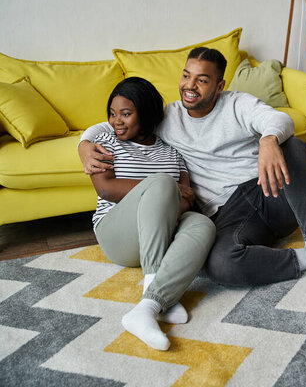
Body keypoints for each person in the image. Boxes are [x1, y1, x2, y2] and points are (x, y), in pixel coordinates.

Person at [79, 48, 306, 309]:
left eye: (201, 80)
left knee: (292, 145)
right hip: (227, 213)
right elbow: (115, 121)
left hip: (267, 192)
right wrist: (84, 145)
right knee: (219, 265)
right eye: (186, 76)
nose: (189, 86)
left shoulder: (237, 104)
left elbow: (281, 120)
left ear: (219, 86)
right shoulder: (168, 117)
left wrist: (268, 141)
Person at [85, 76, 216, 351]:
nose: (116, 120)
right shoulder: (105, 141)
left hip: (160, 234)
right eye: (112, 113)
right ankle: (153, 287)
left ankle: (150, 305)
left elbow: (187, 199)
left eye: (125, 114)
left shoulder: (172, 154)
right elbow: (106, 189)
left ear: (145, 113)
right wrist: (163, 191)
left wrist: (170, 197)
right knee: (162, 183)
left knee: (203, 224)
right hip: (118, 234)